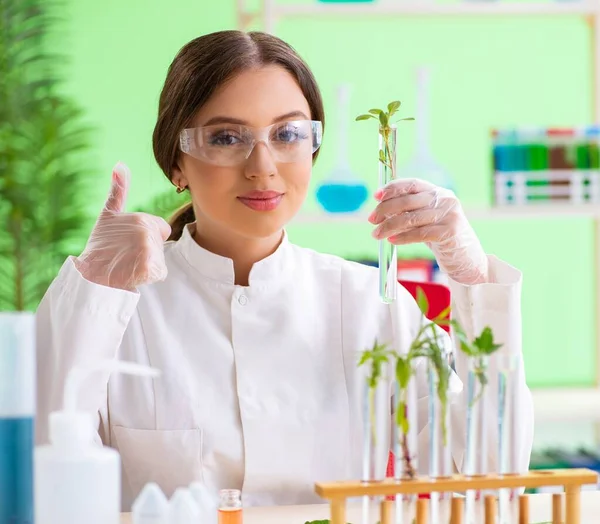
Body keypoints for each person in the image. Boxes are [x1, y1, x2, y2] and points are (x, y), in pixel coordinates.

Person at [35, 30, 533, 510]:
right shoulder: (118, 309)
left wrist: (473, 281)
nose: (263, 165)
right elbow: (39, 470)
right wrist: (89, 292)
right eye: (226, 137)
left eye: (288, 133)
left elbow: (487, 473)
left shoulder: (367, 302)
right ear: (176, 164)